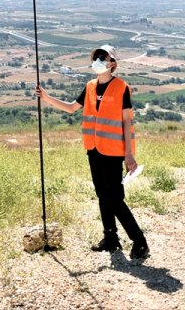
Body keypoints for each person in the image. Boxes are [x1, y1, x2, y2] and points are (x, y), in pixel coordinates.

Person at [36, 44, 150, 260]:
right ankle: (110, 238)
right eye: (96, 56)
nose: (98, 60)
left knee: (115, 199)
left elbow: (127, 122)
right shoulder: (90, 86)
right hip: (94, 148)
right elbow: (71, 107)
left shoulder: (122, 87)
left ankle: (140, 242)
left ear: (112, 63)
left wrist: (129, 154)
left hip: (114, 151)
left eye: (103, 57)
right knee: (102, 196)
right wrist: (46, 97)